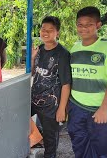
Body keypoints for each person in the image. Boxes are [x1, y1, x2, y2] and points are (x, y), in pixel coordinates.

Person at [67, 6, 107, 158]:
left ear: (98, 25)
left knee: (102, 150)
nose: (84, 28)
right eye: (80, 24)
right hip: (77, 107)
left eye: (89, 24)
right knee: (79, 145)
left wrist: (104, 108)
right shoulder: (74, 48)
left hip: (101, 110)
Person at [31, 16, 72, 158]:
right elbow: (31, 73)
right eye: (43, 29)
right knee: (17, 119)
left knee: (50, 141)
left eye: (50, 30)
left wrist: (61, 109)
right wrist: (32, 57)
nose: (45, 33)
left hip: (51, 106)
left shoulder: (62, 54)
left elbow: (66, 84)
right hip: (34, 99)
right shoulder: (40, 49)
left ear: (57, 33)